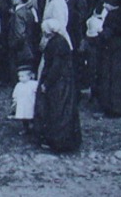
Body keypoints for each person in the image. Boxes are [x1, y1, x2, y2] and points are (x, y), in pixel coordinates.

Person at [35, 16, 82, 153]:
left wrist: (47, 83)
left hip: (59, 83)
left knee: (58, 111)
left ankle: (58, 141)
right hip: (61, 81)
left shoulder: (57, 44)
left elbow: (56, 67)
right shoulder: (58, 41)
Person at [10, 68, 38, 133]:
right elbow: (15, 93)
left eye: (22, 76)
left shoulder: (33, 84)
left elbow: (37, 91)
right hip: (22, 104)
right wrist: (15, 100)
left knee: (31, 115)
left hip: (30, 103)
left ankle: (33, 127)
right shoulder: (19, 85)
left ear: (30, 76)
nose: (20, 78)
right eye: (19, 76)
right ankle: (25, 128)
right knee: (23, 116)